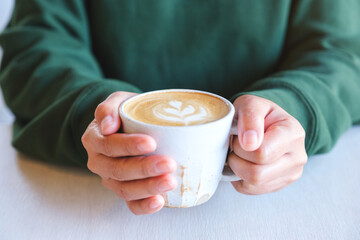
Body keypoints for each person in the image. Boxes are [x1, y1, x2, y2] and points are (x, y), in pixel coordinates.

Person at [0, 0, 359, 215]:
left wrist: (294, 106)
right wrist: (100, 115)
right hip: (85, 205)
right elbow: (35, 45)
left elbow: (342, 53)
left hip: (273, 210)